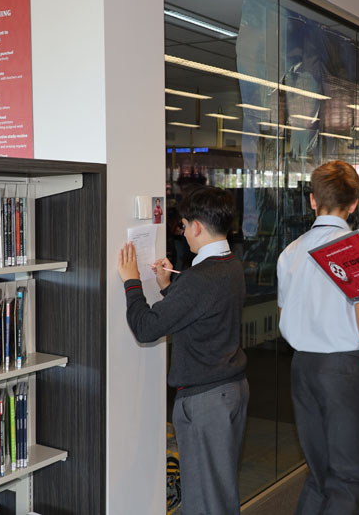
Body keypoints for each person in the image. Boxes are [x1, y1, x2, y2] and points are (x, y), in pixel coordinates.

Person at [277, 160, 359, 515]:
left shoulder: (291, 251)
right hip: (344, 371)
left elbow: (285, 313)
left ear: (312, 200)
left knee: (320, 474)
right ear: (354, 204)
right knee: (350, 479)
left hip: (303, 368)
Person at [118, 186, 248, 515]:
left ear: (198, 227)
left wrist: (131, 282)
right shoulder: (231, 265)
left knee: (206, 501)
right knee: (218, 491)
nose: (184, 232)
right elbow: (201, 312)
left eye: (185, 225)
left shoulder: (199, 279)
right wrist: (168, 287)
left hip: (206, 401)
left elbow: (146, 328)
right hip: (231, 390)